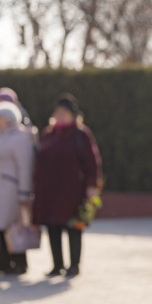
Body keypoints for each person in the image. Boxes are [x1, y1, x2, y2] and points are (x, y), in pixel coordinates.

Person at [32, 93, 102, 277]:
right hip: (50, 190)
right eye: (58, 112)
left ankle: (74, 266)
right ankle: (57, 265)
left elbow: (93, 162)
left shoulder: (81, 134)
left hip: (72, 191)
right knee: (52, 227)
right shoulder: (48, 133)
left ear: (73, 115)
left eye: (64, 113)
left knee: (74, 227)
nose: (60, 116)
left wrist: (92, 186)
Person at [0, 102, 35, 275]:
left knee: (14, 226)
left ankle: (19, 263)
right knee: (0, 228)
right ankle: (2, 261)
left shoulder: (20, 137)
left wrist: (24, 193)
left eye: (0, 118)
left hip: (12, 191)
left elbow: (25, 167)